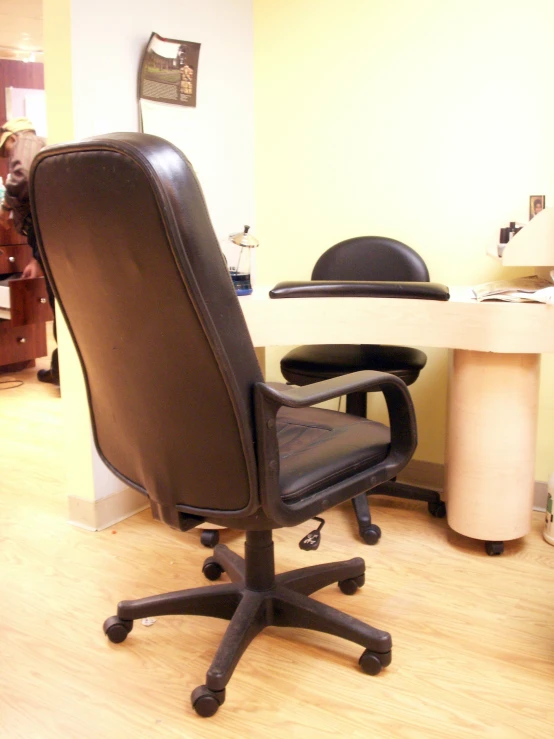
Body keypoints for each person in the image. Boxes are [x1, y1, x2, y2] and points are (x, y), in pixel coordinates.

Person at [0, 117, 59, 385]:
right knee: (60, 299)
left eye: (4, 151)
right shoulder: (39, 146)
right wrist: (37, 259)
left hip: (44, 229)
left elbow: (21, 176)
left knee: (60, 301)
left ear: (12, 138)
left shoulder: (25, 142)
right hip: (47, 231)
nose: (6, 156)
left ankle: (63, 370)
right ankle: (62, 367)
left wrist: (6, 205)